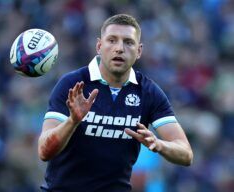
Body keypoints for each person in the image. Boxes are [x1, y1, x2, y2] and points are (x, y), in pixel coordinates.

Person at [38, 14, 193, 192]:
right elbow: (44, 151)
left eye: (128, 42)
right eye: (112, 40)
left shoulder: (148, 92)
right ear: (99, 46)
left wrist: (159, 144)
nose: (119, 48)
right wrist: (72, 121)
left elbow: (186, 154)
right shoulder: (73, 84)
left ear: (139, 51)